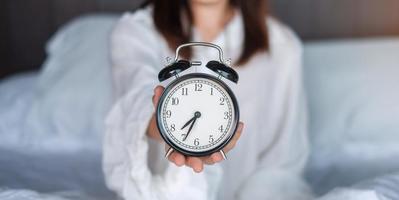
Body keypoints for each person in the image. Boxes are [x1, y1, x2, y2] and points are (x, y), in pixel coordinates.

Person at [103, 0, 311, 199]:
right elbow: (135, 100)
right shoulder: (136, 31)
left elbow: (281, 163)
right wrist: (163, 125)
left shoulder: (283, 48)